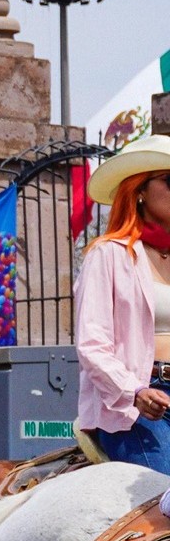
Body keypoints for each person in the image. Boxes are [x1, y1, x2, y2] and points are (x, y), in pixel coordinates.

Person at [78, 134, 170, 473]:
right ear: (140, 191)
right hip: (138, 406)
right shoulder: (108, 255)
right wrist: (135, 391)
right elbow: (92, 345)